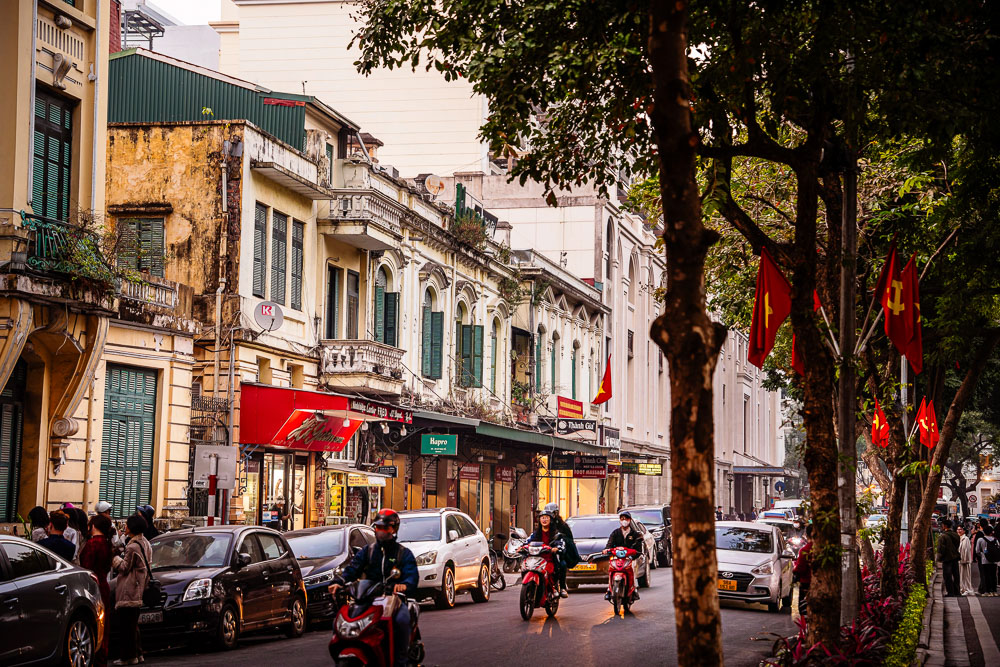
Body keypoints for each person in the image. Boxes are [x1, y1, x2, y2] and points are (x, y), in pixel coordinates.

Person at [328, 509, 417, 667]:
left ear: (394, 529)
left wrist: (404, 585)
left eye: (385, 528)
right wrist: (339, 582)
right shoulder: (367, 552)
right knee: (341, 620)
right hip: (367, 600)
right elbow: (351, 569)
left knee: (402, 620)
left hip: (393, 602)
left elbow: (412, 577)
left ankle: (400, 662)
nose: (380, 531)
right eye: (378, 528)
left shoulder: (404, 553)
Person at [113, 514, 152, 666]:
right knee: (133, 624)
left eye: (128, 524)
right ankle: (138, 653)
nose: (125, 526)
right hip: (140, 586)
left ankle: (128, 656)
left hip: (129, 588)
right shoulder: (145, 543)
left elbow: (124, 568)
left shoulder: (133, 546)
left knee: (126, 626)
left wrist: (115, 558)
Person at [81, 514, 114, 667]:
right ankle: (102, 656)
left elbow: (86, 566)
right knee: (104, 625)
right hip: (104, 585)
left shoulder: (92, 544)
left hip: (92, 586)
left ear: (93, 526)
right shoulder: (107, 544)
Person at [604, 511, 645, 601]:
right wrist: (607, 549)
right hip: (617, 558)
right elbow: (609, 544)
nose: (624, 520)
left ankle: (634, 590)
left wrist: (633, 555)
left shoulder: (635, 534)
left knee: (633, 569)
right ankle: (609, 590)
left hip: (630, 558)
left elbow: (638, 549)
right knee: (611, 569)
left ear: (630, 520)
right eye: (622, 519)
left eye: (626, 519)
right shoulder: (615, 533)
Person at [543, 502, 579, 598]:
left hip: (556, 552)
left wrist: (559, 545)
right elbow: (535, 536)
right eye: (546, 515)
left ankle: (562, 587)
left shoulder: (562, 526)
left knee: (562, 565)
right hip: (543, 552)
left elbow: (569, 540)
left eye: (552, 514)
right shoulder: (543, 525)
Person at [793, 525, 813, 617]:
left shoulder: (805, 550)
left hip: (806, 583)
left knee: (804, 609)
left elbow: (800, 567)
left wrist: (795, 570)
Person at [938, 519, 961, 596]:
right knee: (956, 575)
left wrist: (939, 558)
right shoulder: (956, 535)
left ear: (944, 526)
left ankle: (950, 592)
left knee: (947, 576)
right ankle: (957, 591)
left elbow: (941, 549)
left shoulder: (943, 536)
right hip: (955, 557)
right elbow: (957, 545)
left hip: (947, 558)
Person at [975, 525, 999, 597]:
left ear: (984, 532)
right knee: (993, 576)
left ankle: (987, 591)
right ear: (991, 532)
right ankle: (994, 591)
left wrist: (982, 555)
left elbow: (977, 551)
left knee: (986, 576)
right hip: (994, 561)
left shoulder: (980, 540)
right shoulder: (995, 540)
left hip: (984, 561)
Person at [958, 525, 975, 596]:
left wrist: (965, 560)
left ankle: (966, 589)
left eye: (960, 529)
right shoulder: (959, 538)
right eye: (958, 529)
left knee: (966, 576)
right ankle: (962, 588)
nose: (959, 531)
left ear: (964, 531)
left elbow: (967, 550)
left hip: (965, 561)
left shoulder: (966, 539)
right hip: (960, 560)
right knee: (961, 576)